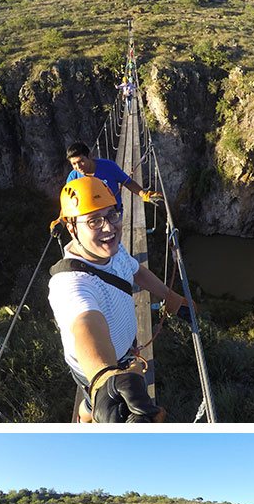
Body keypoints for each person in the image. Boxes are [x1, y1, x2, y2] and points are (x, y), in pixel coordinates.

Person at [48, 177, 192, 423]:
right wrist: (105, 378)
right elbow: (85, 324)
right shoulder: (69, 284)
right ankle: (87, 412)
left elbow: (136, 271)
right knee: (96, 401)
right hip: (98, 370)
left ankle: (89, 406)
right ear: (72, 228)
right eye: (94, 220)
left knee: (94, 400)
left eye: (112, 214)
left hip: (125, 351)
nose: (109, 228)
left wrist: (170, 296)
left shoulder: (112, 248)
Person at [66, 142, 162, 212]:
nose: (78, 167)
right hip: (91, 219)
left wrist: (144, 194)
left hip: (112, 215)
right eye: (74, 164)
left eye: (81, 161)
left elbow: (127, 182)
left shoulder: (108, 166)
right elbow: (68, 201)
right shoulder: (73, 177)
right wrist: (61, 220)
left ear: (90, 156)